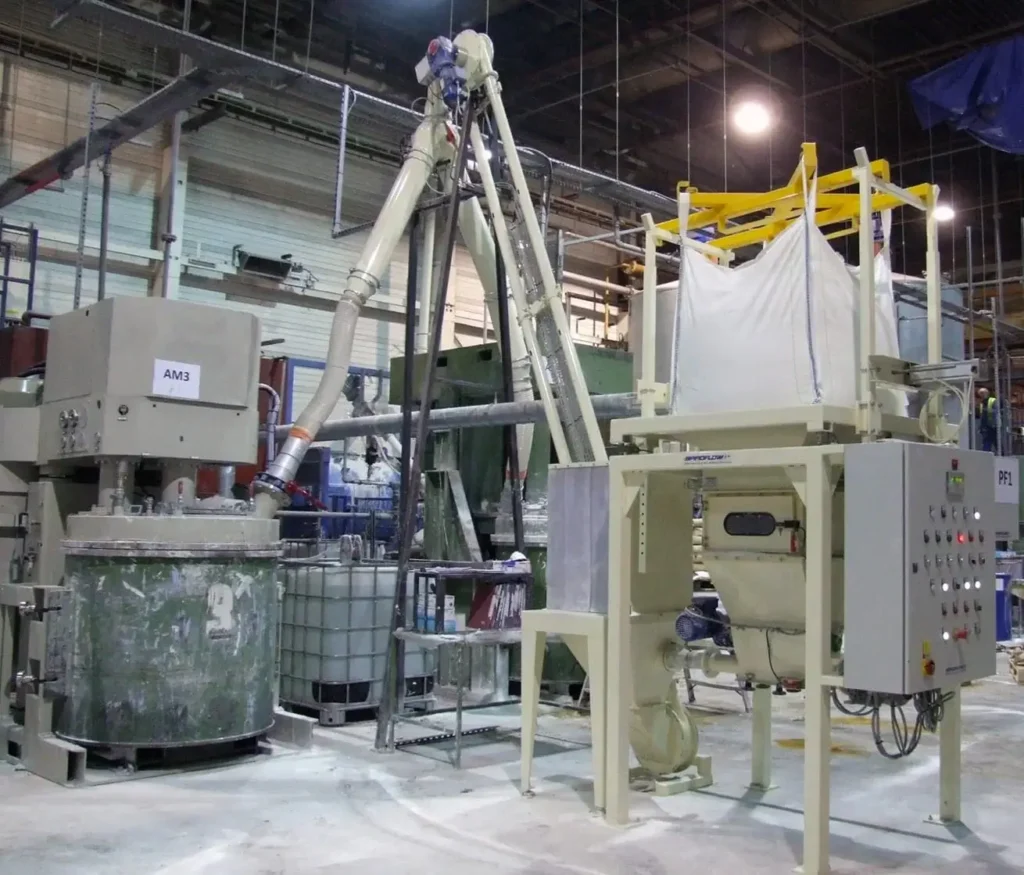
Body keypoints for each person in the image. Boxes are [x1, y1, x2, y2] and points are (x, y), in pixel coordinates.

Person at [977, 387, 998, 452]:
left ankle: (1002, 453)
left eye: (983, 393)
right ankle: (987, 453)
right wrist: (980, 427)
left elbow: (997, 411)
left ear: (987, 393)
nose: (982, 395)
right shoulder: (982, 403)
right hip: (985, 426)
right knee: (988, 441)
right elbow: (982, 416)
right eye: (980, 393)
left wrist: (987, 410)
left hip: (993, 425)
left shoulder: (993, 400)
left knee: (993, 441)